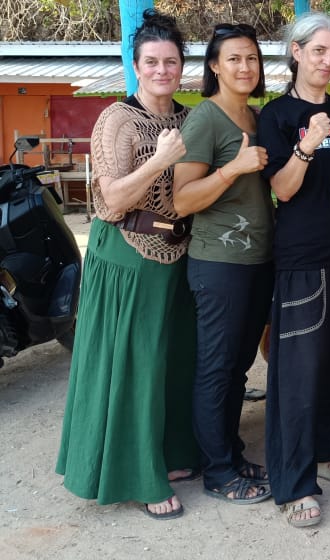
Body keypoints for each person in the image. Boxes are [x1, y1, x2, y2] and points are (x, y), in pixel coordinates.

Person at [55, 9, 200, 520]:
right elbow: (111, 202)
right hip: (127, 256)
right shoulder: (117, 118)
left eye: (172, 61)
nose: (163, 70)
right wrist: (160, 160)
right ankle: (139, 476)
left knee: (174, 362)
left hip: (178, 256)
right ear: (137, 66)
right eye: (152, 62)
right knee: (135, 366)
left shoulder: (188, 117)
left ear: (182, 66)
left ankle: (174, 453)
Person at [257, 12, 330, 527]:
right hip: (304, 261)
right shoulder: (277, 115)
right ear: (296, 52)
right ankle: (295, 484)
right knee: (298, 377)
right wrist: (308, 144)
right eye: (319, 51)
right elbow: (281, 189)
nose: (328, 61)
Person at [173, 22, 274, 505]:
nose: (244, 66)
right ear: (214, 66)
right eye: (233, 58)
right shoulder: (205, 119)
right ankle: (216, 471)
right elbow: (182, 199)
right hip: (218, 263)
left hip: (256, 261)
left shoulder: (256, 117)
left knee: (237, 369)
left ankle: (230, 454)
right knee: (217, 367)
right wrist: (233, 167)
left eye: (251, 58)